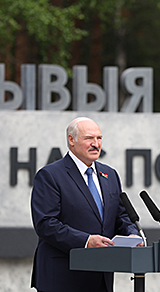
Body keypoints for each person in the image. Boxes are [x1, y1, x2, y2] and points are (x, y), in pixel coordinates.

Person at [30, 117, 142, 292]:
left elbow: (121, 216)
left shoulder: (109, 174)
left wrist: (132, 234)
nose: (96, 144)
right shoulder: (50, 175)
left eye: (99, 138)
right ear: (71, 140)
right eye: (89, 138)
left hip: (100, 277)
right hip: (63, 277)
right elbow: (45, 224)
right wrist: (86, 241)